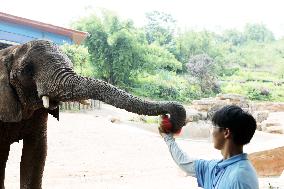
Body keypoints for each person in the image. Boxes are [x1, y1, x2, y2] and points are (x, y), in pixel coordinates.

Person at [159, 105, 259, 189]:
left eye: (213, 127)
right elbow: (184, 162)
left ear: (226, 132)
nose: (211, 132)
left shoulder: (241, 178)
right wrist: (168, 138)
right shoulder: (216, 167)